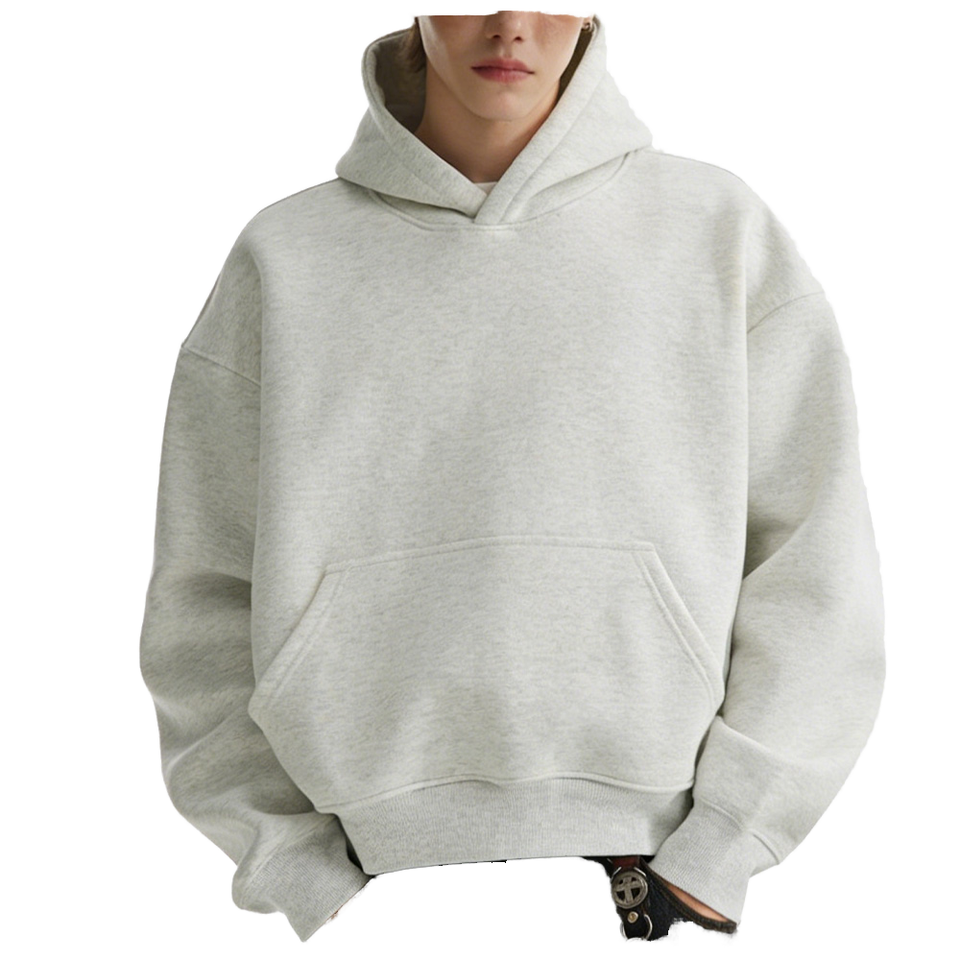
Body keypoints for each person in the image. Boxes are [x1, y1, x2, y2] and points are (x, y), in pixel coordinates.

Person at [139, 9, 886, 944]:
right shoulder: (285, 257)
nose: (511, 25)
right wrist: (289, 860)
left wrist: (729, 839)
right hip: (375, 893)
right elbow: (203, 594)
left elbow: (816, 562)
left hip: (658, 871)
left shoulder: (717, 230)